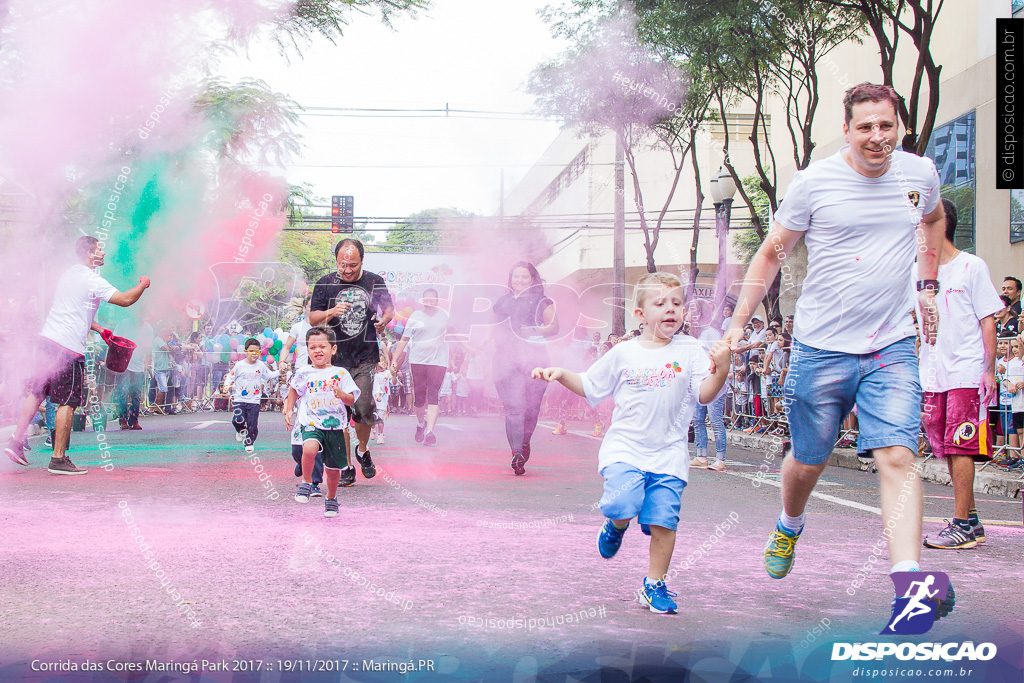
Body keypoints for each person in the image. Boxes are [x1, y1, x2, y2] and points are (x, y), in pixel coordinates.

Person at [724, 83, 954, 619]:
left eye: (887, 125)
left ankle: (909, 587)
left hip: (890, 346)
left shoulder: (918, 175)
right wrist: (738, 324)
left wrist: (927, 286)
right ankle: (789, 524)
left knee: (897, 455)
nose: (877, 137)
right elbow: (769, 256)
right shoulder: (814, 183)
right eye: (865, 127)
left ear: (899, 126)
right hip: (820, 347)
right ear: (846, 130)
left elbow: (934, 221)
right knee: (809, 462)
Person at [532, 272, 730, 614]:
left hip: (669, 455)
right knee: (623, 502)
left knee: (664, 522)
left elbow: (703, 394)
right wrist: (562, 373)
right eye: (660, 303)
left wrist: (722, 370)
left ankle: (654, 585)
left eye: (677, 303)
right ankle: (617, 523)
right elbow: (591, 385)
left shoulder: (692, 350)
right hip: (625, 449)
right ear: (640, 314)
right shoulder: (624, 352)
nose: (671, 310)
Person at [4, 236, 149, 473]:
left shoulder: (70, 274)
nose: (103, 252)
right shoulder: (91, 280)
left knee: (37, 392)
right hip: (68, 348)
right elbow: (125, 299)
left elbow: (74, 308)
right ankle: (58, 459)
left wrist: (100, 328)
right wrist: (143, 283)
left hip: (47, 340)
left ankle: (16, 441)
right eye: (100, 249)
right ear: (90, 253)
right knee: (67, 403)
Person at [916, 199, 1002, 549]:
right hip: (933, 375)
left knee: (962, 445)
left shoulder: (971, 266)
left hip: (966, 372)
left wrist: (988, 369)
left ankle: (963, 524)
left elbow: (988, 319)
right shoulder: (919, 274)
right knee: (948, 450)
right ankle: (973, 520)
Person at [309, 239, 393, 481]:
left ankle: (363, 450)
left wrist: (384, 321)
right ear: (336, 261)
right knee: (339, 413)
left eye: (352, 266)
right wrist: (331, 312)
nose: (346, 270)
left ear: (362, 261)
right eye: (342, 265)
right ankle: (346, 467)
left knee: (364, 408)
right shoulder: (325, 283)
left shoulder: (373, 281)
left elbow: (389, 309)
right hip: (334, 360)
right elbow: (313, 317)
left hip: (365, 356)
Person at [284, 326, 360, 517]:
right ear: (307, 351)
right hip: (310, 421)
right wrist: (289, 409)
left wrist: (342, 394)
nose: (317, 350)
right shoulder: (304, 372)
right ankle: (307, 483)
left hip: (334, 425)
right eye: (312, 347)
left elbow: (351, 400)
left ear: (333, 349)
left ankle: (331, 499)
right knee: (308, 448)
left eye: (322, 346)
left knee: (333, 469)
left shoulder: (341, 373)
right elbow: (294, 390)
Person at [491, 261, 558, 475]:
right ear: (510, 280)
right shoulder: (502, 302)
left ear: (532, 279)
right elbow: (492, 328)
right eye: (515, 277)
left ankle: (525, 442)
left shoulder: (542, 301)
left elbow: (555, 327)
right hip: (504, 359)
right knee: (513, 408)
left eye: (524, 277)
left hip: (535, 360)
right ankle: (516, 453)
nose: (519, 280)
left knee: (531, 409)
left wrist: (535, 330)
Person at [389, 287, 451, 447]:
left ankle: (430, 432)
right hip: (418, 361)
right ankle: (420, 424)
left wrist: (464, 351)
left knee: (434, 395)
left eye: (433, 300)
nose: (430, 302)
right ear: (422, 301)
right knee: (420, 398)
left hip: (438, 361)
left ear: (437, 301)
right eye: (427, 299)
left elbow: (454, 335)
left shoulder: (445, 316)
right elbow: (404, 339)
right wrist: (395, 359)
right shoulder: (416, 316)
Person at [692, 307, 729, 471]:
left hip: (714, 380)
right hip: (699, 382)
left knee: (715, 420)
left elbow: (718, 354)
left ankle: (720, 459)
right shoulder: (695, 336)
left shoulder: (710, 333)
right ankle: (701, 456)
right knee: (698, 420)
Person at [222, 338, 273, 453]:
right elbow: (230, 377)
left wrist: (281, 371)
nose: (254, 354)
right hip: (240, 399)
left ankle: (249, 442)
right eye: (251, 351)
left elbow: (269, 375)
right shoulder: (239, 365)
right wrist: (226, 385)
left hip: (254, 400)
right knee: (237, 419)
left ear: (260, 352)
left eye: (257, 352)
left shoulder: (261, 365)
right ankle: (240, 430)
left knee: (252, 423)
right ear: (245, 352)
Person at [113, 315, 153, 430]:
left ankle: (134, 420)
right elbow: (115, 340)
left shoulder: (148, 328)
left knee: (136, 395)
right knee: (123, 393)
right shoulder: (123, 323)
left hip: (138, 365)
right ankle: (123, 420)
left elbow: (148, 348)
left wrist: (148, 363)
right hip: (124, 364)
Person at [283, 297, 312, 368]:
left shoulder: (324, 327)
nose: (313, 309)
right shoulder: (297, 327)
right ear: (304, 308)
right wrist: (282, 362)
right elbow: (287, 347)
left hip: (319, 370)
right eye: (311, 307)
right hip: (301, 368)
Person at [372, 360, 392, 445]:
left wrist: (394, 375)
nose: (382, 363)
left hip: (383, 399)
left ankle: (380, 434)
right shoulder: (373, 373)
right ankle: (372, 430)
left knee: (380, 417)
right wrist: (376, 395)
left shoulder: (387, 373)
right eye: (380, 361)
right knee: (372, 417)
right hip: (373, 398)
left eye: (384, 362)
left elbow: (393, 382)